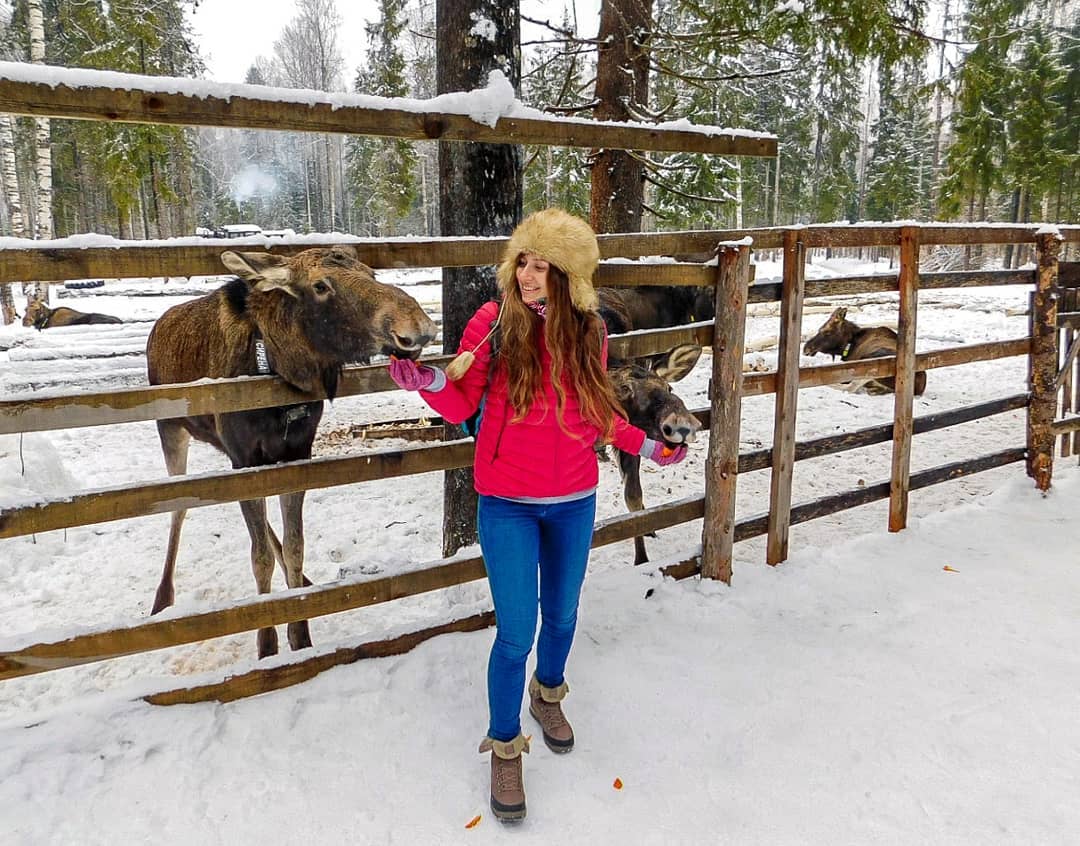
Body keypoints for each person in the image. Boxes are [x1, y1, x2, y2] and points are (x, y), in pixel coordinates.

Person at [387, 208, 688, 822]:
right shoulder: (491, 324)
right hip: (507, 504)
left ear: (569, 276)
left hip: (574, 499)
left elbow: (598, 413)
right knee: (516, 631)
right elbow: (459, 401)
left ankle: (548, 693)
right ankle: (505, 747)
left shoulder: (589, 331)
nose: (526, 274)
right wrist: (425, 382)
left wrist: (648, 446)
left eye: (542, 265)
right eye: (522, 260)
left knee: (565, 615)